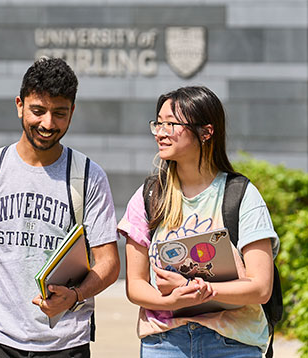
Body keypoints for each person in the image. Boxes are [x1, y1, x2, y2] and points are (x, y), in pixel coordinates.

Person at [0, 57, 120, 358]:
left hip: (65, 343)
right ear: (19, 105)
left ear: (72, 112)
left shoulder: (88, 176)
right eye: (38, 110)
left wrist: (75, 296)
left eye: (59, 113)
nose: (48, 123)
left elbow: (109, 263)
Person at [117, 86, 279, 357]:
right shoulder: (148, 196)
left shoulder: (241, 195)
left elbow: (261, 288)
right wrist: (167, 299)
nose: (160, 132)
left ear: (206, 132)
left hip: (232, 343)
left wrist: (197, 289)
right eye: (158, 123)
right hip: (164, 343)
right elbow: (135, 285)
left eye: (171, 124)